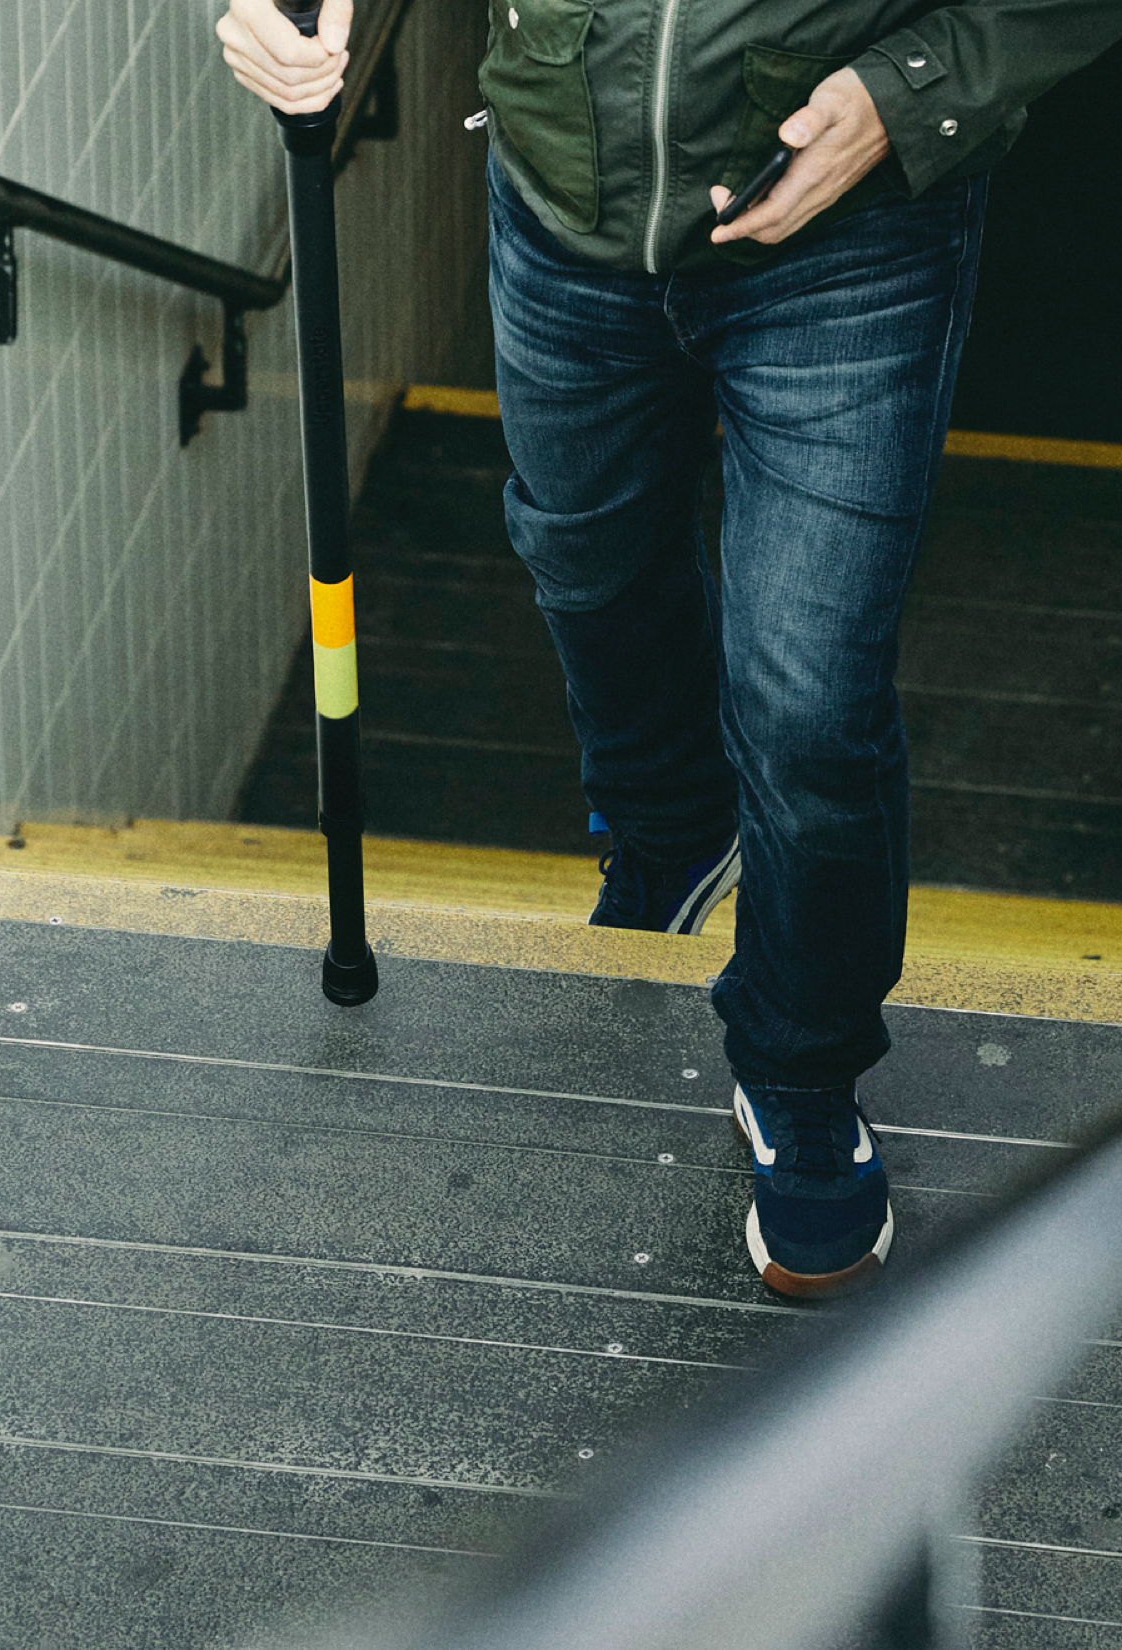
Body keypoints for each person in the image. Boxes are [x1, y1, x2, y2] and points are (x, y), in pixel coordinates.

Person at [217, 0, 1122, 1297]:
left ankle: (800, 1068)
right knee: (581, 555)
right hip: (560, 207)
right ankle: (675, 831)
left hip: (848, 239)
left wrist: (917, 87)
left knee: (808, 698)